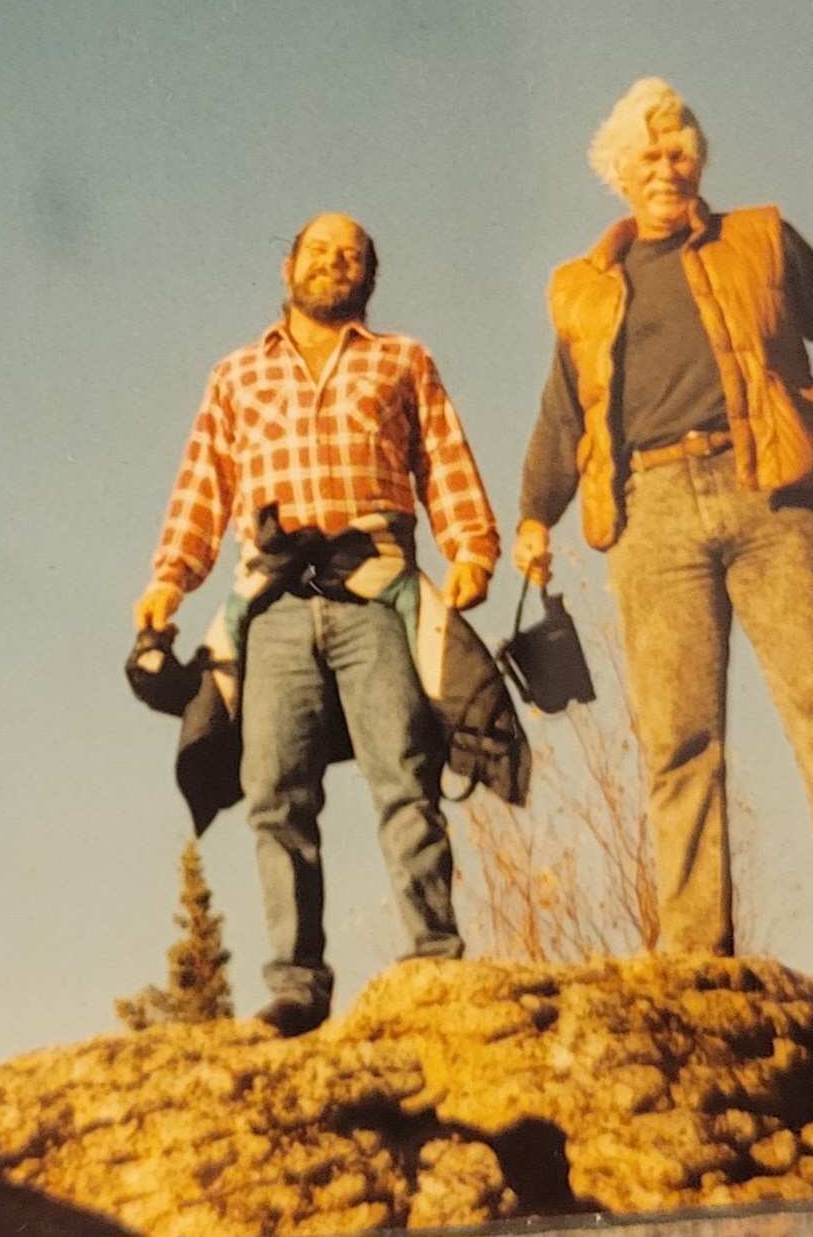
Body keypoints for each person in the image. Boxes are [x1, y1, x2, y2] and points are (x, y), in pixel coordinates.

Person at [515, 78, 813, 980]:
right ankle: (695, 950)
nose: (665, 167)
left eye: (678, 150)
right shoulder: (580, 288)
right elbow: (563, 415)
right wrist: (532, 515)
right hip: (649, 512)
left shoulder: (761, 239)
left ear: (698, 160)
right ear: (618, 172)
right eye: (647, 155)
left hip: (773, 495)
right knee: (677, 740)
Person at [133, 213, 500, 1036]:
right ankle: (297, 985)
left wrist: (471, 546)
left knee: (404, 772)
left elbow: (442, 457)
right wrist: (168, 579)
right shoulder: (236, 374)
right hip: (273, 606)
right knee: (275, 791)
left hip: (375, 590)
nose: (335, 263)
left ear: (367, 276)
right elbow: (202, 485)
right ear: (289, 265)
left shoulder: (401, 359)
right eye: (321, 251)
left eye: (352, 255)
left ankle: (434, 957)